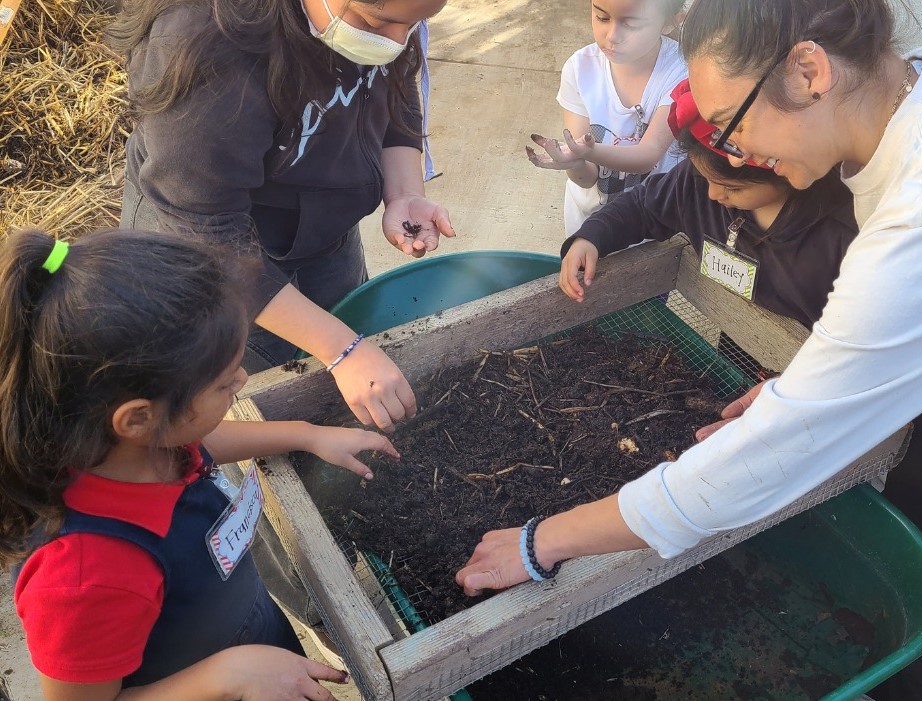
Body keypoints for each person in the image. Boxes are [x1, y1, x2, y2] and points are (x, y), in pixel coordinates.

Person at [456, 2, 922, 700]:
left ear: (807, 70)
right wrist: (794, 389)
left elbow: (763, 460)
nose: (726, 148)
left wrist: (541, 541)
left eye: (731, 124)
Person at [1, 228, 399, 700]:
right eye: (224, 384)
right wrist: (229, 676)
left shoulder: (138, 449)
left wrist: (306, 435)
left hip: (249, 646)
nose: (244, 378)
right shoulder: (86, 575)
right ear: (137, 419)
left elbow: (205, 440)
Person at [106, 0, 455, 434]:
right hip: (214, 256)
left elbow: (395, 85)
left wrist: (403, 191)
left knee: (343, 335)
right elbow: (208, 232)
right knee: (249, 384)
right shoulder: (204, 43)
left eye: (415, 24)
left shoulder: (385, 20)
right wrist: (341, 350)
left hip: (321, 226)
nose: (397, 42)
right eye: (377, 23)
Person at [560, 78, 857, 332]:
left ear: (787, 174)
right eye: (706, 179)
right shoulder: (696, 185)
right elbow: (642, 206)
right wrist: (591, 237)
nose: (713, 195)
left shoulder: (839, 239)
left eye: (732, 188)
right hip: (738, 330)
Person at [526, 0, 688, 236]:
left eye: (631, 24)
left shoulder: (681, 71)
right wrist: (574, 161)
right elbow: (587, 178)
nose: (612, 36)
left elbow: (648, 154)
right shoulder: (579, 69)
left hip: (655, 226)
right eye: (602, 17)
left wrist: (587, 151)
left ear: (671, 22)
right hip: (590, 223)